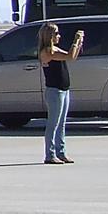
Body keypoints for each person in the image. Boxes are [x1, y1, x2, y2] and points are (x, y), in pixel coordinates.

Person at [37, 22, 83, 163]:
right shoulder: (47, 52)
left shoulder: (55, 49)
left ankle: (61, 151)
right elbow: (69, 56)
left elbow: (72, 57)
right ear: (49, 36)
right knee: (53, 123)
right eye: (56, 33)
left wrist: (79, 42)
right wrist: (75, 40)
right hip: (54, 91)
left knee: (61, 123)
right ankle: (50, 154)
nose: (59, 36)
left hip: (63, 90)